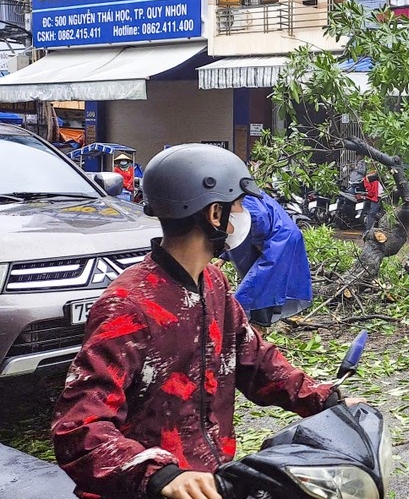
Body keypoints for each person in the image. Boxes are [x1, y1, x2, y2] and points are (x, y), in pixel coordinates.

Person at [51, 144, 352, 499]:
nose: (244, 214)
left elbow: (254, 360)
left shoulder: (214, 284)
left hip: (212, 483)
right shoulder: (128, 305)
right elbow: (78, 427)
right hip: (153, 491)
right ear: (214, 213)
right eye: (238, 205)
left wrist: (323, 399)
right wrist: (160, 475)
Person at [219, 191, 312, 327]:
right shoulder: (250, 192)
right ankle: (256, 325)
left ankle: (257, 326)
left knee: (259, 283)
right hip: (280, 238)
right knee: (266, 283)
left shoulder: (244, 196)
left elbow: (259, 217)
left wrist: (258, 242)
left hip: (278, 241)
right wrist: (223, 257)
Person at [357, 168, 385, 233]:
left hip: (378, 197)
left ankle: (369, 230)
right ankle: (369, 230)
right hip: (379, 197)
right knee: (373, 214)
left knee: (373, 214)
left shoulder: (369, 179)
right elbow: (370, 191)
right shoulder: (375, 178)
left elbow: (370, 191)